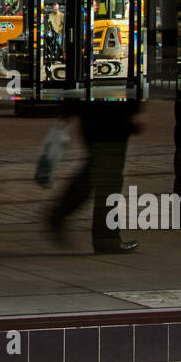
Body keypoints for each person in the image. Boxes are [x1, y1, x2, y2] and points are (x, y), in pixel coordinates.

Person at [46, 98, 142, 253]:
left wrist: (69, 106)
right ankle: (106, 237)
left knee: (96, 170)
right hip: (111, 117)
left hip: (94, 114)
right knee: (109, 178)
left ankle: (61, 211)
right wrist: (134, 109)